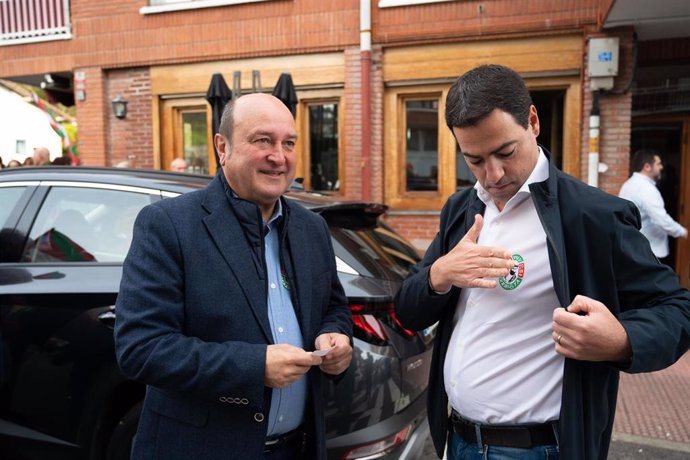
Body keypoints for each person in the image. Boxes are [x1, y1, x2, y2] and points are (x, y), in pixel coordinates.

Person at [394, 64, 690, 460]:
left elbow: (677, 310)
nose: (493, 174)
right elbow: (408, 309)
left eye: (505, 152)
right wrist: (438, 274)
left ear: (533, 121)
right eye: (475, 160)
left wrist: (621, 340)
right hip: (457, 440)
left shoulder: (593, 215)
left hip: (540, 449)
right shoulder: (461, 210)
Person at [114, 93, 353, 460]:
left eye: (288, 143)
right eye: (262, 140)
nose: (279, 156)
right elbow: (141, 348)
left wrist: (335, 336)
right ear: (221, 147)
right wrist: (254, 367)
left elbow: (333, 307)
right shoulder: (168, 225)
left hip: (296, 449)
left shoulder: (312, 228)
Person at [618, 149, 687, 266]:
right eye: (658, 164)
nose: (661, 167)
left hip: (636, 248)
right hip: (651, 251)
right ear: (647, 167)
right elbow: (661, 219)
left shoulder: (628, 184)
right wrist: (682, 231)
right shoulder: (646, 189)